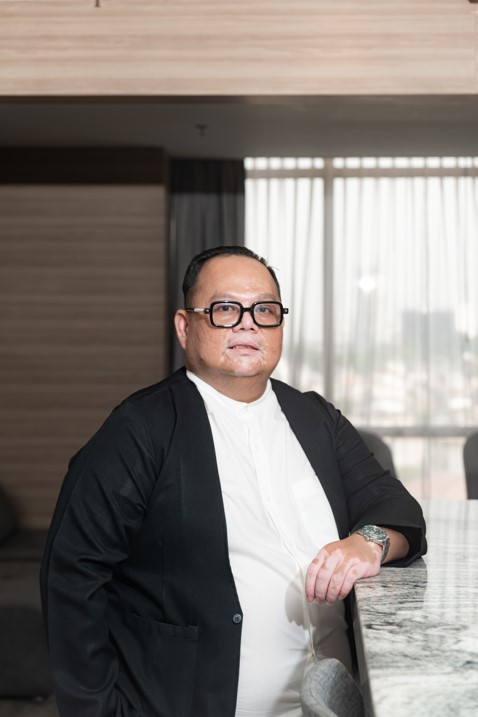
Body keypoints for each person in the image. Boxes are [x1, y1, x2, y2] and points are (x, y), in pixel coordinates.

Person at [40, 245, 426, 717]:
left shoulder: (315, 418)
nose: (248, 324)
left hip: (332, 705)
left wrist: (368, 543)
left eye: (265, 310)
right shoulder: (140, 428)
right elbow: (72, 574)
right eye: (225, 309)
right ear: (185, 326)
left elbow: (398, 509)